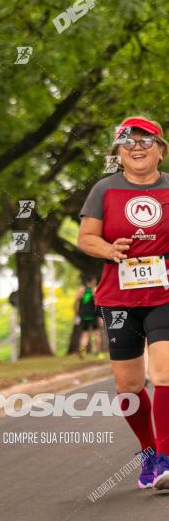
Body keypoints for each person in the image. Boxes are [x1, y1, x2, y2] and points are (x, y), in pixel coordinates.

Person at [78, 115, 169, 490]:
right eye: (129, 141)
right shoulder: (104, 190)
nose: (137, 147)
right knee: (129, 387)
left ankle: (165, 456)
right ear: (118, 152)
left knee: (163, 372)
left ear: (160, 151)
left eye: (146, 141)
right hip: (118, 298)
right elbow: (86, 238)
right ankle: (148, 451)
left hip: (165, 294)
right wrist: (109, 250)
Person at [74, 276, 102, 357]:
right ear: (93, 281)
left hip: (83, 315)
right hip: (94, 315)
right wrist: (100, 316)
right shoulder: (95, 290)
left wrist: (77, 313)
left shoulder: (81, 290)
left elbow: (75, 303)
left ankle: (82, 352)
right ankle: (98, 353)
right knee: (97, 334)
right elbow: (99, 304)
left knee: (85, 334)